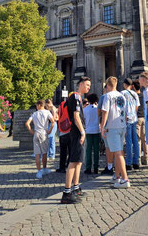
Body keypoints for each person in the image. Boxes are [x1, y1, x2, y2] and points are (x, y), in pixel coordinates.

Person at [61, 76, 91, 204]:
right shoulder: (75, 97)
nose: (89, 87)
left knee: (78, 162)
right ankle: (66, 193)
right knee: (73, 162)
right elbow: (76, 116)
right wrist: (83, 132)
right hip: (77, 132)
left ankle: (76, 188)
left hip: (77, 132)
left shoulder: (77, 97)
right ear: (80, 84)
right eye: (87, 85)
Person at [101, 76, 130, 188]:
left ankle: (125, 179)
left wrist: (102, 127)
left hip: (112, 127)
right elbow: (125, 112)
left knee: (117, 154)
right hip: (122, 125)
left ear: (108, 85)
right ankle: (117, 176)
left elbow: (105, 112)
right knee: (120, 152)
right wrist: (125, 125)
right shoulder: (121, 96)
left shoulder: (107, 96)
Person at [25, 99, 55, 179]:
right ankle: (44, 168)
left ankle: (39, 171)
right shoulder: (47, 112)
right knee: (44, 152)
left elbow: (27, 123)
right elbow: (53, 121)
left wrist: (31, 131)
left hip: (36, 133)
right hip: (44, 132)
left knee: (37, 153)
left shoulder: (34, 114)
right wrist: (50, 130)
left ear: (38, 105)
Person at [121, 78, 140, 170]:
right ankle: (136, 162)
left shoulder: (123, 93)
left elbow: (122, 108)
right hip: (134, 118)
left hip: (127, 119)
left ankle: (128, 163)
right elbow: (137, 107)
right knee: (135, 140)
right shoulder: (135, 94)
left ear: (125, 84)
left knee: (128, 141)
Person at [98, 85, 114, 175]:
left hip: (108, 125)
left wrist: (102, 126)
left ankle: (110, 166)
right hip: (118, 125)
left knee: (108, 147)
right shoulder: (120, 95)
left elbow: (101, 111)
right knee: (117, 148)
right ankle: (118, 166)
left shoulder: (104, 97)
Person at [83, 93, 101, 174]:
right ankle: (96, 167)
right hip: (97, 130)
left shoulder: (85, 109)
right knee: (97, 150)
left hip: (89, 130)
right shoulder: (98, 109)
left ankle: (88, 167)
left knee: (88, 150)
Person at [132, 79, 148, 165]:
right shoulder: (143, 95)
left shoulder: (134, 96)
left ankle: (137, 159)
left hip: (137, 118)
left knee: (138, 140)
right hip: (144, 118)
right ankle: (146, 158)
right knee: (145, 139)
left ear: (133, 87)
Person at [56, 98, 72, 174]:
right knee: (71, 151)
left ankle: (62, 167)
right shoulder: (72, 105)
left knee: (63, 151)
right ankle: (69, 166)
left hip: (62, 130)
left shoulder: (61, 104)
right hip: (70, 131)